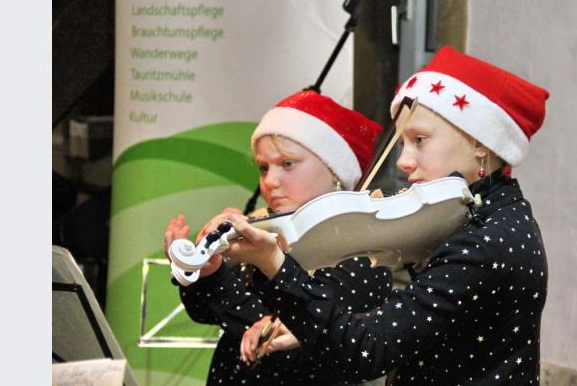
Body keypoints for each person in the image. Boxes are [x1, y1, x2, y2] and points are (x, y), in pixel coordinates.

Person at [225, 46, 550, 385]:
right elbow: (423, 324)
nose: (403, 161)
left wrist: (273, 263)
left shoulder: (486, 241)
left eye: (419, 140)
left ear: (481, 143)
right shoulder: (488, 215)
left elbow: (368, 350)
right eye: (402, 144)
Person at [163, 90, 392, 385]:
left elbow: (279, 337)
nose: (270, 182)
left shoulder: (363, 252)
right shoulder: (260, 225)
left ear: (335, 171)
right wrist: (203, 271)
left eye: (287, 164)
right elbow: (206, 313)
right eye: (263, 167)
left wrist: (221, 276)